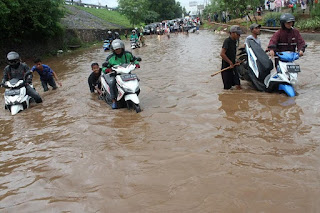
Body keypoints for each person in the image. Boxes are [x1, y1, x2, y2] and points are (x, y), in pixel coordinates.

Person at [103, 39, 140, 109]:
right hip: (116, 74)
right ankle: (114, 100)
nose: (118, 50)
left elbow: (134, 60)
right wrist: (107, 69)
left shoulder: (128, 54)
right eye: (116, 49)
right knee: (112, 83)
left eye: (119, 49)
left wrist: (137, 64)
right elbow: (104, 67)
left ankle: (134, 93)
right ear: (113, 50)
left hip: (127, 74)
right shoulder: (110, 58)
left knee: (137, 80)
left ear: (122, 48)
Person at [220, 25, 243, 90]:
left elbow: (233, 53)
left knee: (238, 85)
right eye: (237, 34)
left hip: (233, 67)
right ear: (232, 33)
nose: (239, 36)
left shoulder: (235, 41)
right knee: (227, 89)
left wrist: (236, 60)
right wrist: (230, 63)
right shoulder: (227, 41)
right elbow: (222, 54)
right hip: (226, 68)